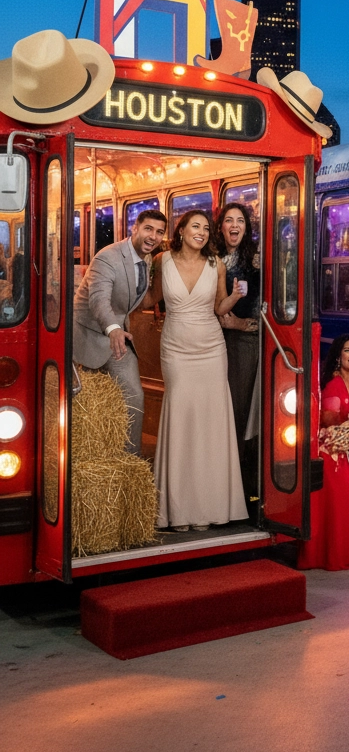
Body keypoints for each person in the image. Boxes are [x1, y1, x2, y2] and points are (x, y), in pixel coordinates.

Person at [147, 210, 247, 531]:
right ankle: (178, 510)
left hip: (211, 349)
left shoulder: (216, 263)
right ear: (181, 230)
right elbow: (150, 298)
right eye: (195, 226)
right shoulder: (161, 260)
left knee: (210, 423)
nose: (201, 232)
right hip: (176, 349)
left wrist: (235, 296)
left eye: (205, 228)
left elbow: (219, 307)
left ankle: (208, 508)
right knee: (181, 418)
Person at [72, 209, 168, 456]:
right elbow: (98, 300)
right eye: (148, 229)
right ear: (134, 228)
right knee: (86, 407)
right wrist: (113, 328)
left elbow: (137, 300)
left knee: (133, 396)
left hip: (118, 339)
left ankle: (129, 459)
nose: (153, 236)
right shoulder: (108, 256)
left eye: (159, 232)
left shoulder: (147, 260)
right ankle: (88, 458)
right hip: (88, 335)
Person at [298, 334, 349, 570]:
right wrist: (347, 419)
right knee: (344, 496)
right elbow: (328, 420)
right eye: (348, 350)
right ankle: (331, 555)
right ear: (338, 356)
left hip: (341, 451)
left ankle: (342, 552)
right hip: (328, 452)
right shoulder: (334, 384)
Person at [215, 203, 261, 513]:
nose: (234, 225)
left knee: (240, 413)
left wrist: (243, 325)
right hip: (212, 339)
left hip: (243, 342)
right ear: (220, 226)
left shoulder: (255, 259)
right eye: (229, 220)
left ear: (246, 227)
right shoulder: (211, 256)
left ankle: (243, 491)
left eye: (240, 221)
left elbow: (266, 305)